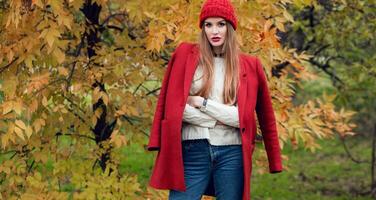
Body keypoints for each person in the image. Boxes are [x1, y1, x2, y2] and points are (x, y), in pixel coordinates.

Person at [147, 0, 283, 199]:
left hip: (232, 154)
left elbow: (249, 118)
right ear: (203, 29)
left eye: (220, 24)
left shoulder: (249, 65)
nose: (214, 31)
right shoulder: (185, 55)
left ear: (230, 27)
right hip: (192, 150)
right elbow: (174, 108)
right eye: (208, 25)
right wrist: (221, 120)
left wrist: (202, 103)